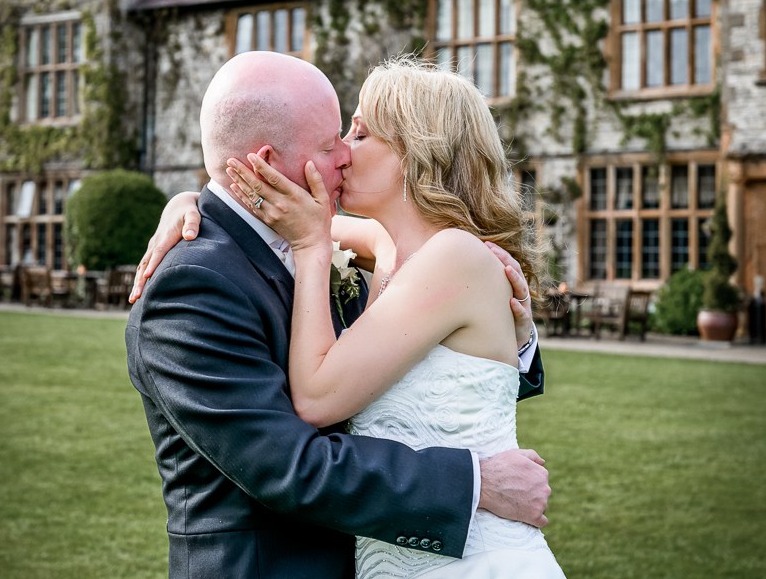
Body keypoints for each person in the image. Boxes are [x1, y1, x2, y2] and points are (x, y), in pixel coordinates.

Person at [126, 51, 550, 579]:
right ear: (263, 162)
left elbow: (430, 378)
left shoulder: (404, 252)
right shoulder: (201, 283)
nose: (345, 154)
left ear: (415, 155)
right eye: (332, 144)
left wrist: (514, 341)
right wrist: (190, 198)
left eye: (358, 135)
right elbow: (290, 462)